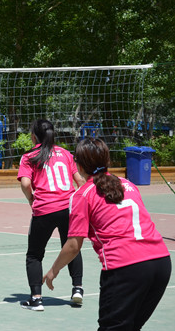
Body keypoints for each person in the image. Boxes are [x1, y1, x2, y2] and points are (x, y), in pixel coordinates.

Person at [44, 138, 171, 329]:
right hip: (161, 262)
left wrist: (53, 270)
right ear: (107, 160)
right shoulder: (128, 184)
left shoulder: (83, 194)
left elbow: (73, 245)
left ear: (79, 165)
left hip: (125, 266)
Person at [17, 119, 85, 311]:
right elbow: (80, 181)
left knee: (34, 255)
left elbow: (25, 183)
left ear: (33, 136)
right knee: (71, 247)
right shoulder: (65, 153)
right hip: (68, 207)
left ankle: (36, 299)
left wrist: (31, 199)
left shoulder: (29, 156)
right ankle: (77, 288)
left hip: (44, 208)